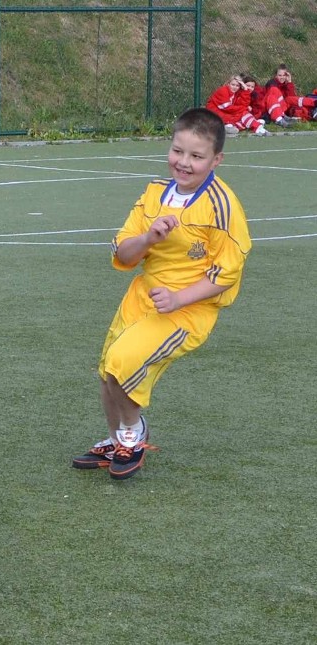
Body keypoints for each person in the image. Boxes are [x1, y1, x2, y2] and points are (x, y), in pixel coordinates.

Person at [71, 107, 251, 480]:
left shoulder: (221, 206)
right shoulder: (154, 194)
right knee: (108, 373)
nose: (184, 163)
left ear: (216, 160)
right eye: (177, 151)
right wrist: (149, 237)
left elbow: (226, 275)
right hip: (143, 297)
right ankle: (117, 438)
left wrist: (179, 299)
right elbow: (122, 252)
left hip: (188, 309)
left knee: (124, 361)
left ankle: (133, 436)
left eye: (197, 156)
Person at [251, 64, 317, 128]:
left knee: (290, 99)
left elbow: (292, 98)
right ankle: (279, 119)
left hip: (282, 109)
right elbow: (272, 99)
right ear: (275, 76)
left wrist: (289, 82)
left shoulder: (285, 85)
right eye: (279, 75)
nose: (282, 77)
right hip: (268, 109)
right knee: (274, 90)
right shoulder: (272, 83)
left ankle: (314, 103)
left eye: (284, 75)